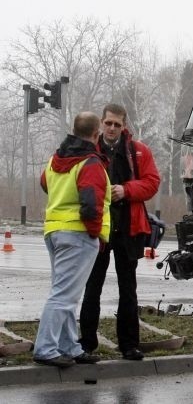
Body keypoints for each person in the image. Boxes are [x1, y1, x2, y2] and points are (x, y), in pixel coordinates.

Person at [79, 103, 161, 361]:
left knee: (128, 288)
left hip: (129, 227)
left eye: (117, 124)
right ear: (101, 123)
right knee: (93, 287)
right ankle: (86, 343)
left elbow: (152, 182)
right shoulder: (89, 151)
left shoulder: (139, 152)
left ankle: (129, 345)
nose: (112, 128)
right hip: (98, 229)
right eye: (108, 123)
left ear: (124, 126)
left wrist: (127, 190)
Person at [33, 112, 111, 368]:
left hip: (54, 231)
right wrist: (95, 234)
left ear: (73, 130)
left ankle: (70, 347)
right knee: (63, 296)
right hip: (78, 234)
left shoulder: (57, 158)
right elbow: (91, 204)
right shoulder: (90, 163)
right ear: (96, 134)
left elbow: (45, 183)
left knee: (66, 293)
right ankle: (45, 348)